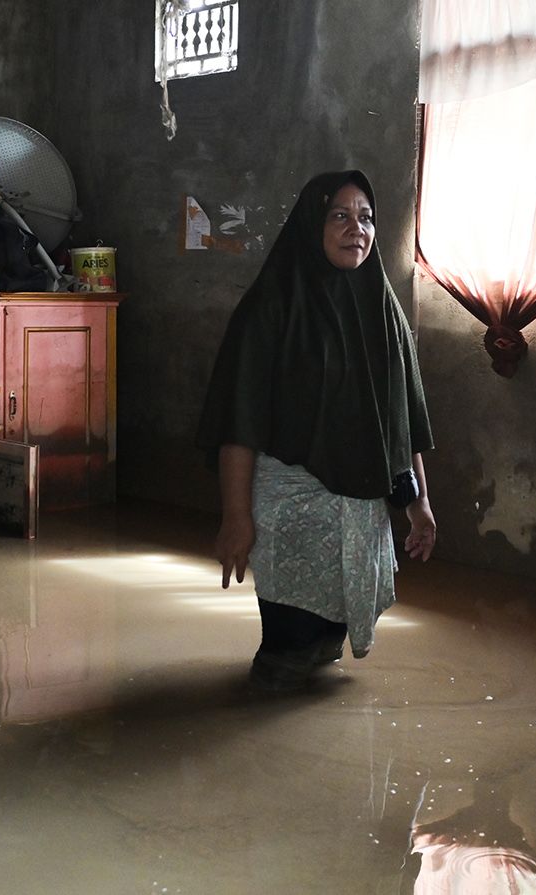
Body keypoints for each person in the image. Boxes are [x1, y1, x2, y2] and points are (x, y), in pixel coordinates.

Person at [196, 170, 435, 693]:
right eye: (340, 216)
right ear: (313, 223)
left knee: (326, 643)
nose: (358, 229)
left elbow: (404, 418)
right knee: (285, 653)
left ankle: (318, 653)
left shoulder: (383, 309)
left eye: (367, 218)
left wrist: (418, 502)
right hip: (292, 504)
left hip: (360, 505)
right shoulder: (273, 306)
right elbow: (240, 420)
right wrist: (236, 516)